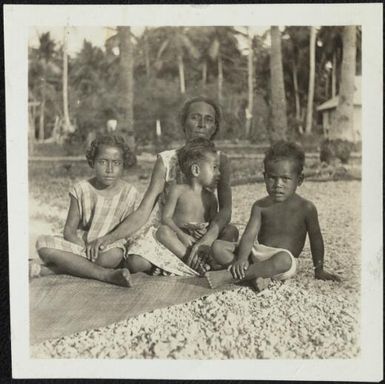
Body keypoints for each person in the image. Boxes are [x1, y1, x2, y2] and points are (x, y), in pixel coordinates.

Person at [86, 96, 239, 276]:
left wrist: (209, 236)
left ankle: (189, 263)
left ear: (214, 128)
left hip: (205, 232)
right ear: (183, 123)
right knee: (136, 263)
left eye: (209, 120)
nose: (201, 125)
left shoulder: (221, 161)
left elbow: (226, 210)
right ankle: (197, 264)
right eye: (195, 117)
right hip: (172, 233)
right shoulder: (166, 160)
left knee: (231, 231)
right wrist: (110, 237)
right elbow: (145, 209)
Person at [205, 140, 341, 290]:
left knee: (284, 260)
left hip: (282, 260)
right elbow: (249, 236)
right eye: (272, 178)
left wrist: (319, 269)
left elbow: (316, 239)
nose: (278, 184)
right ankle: (253, 276)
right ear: (264, 177)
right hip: (258, 253)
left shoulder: (306, 208)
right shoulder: (260, 206)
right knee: (217, 247)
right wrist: (242, 258)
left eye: (285, 179)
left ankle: (230, 276)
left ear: (299, 180)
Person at [32, 134, 139, 287]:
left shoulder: (129, 193)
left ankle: (65, 267)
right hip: (81, 245)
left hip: (107, 248)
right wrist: (84, 248)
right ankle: (106, 275)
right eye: (103, 162)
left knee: (113, 256)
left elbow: (126, 231)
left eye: (116, 163)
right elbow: (69, 231)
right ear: (92, 163)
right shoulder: (81, 189)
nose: (109, 169)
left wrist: (101, 246)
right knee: (43, 243)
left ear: (123, 165)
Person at [156, 138, 220, 274]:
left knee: (231, 231)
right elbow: (166, 218)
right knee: (162, 232)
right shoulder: (177, 190)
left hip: (201, 241)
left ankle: (198, 261)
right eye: (214, 167)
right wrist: (181, 235)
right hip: (180, 239)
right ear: (196, 170)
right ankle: (192, 261)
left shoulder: (211, 198)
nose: (218, 173)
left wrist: (205, 236)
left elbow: (214, 223)